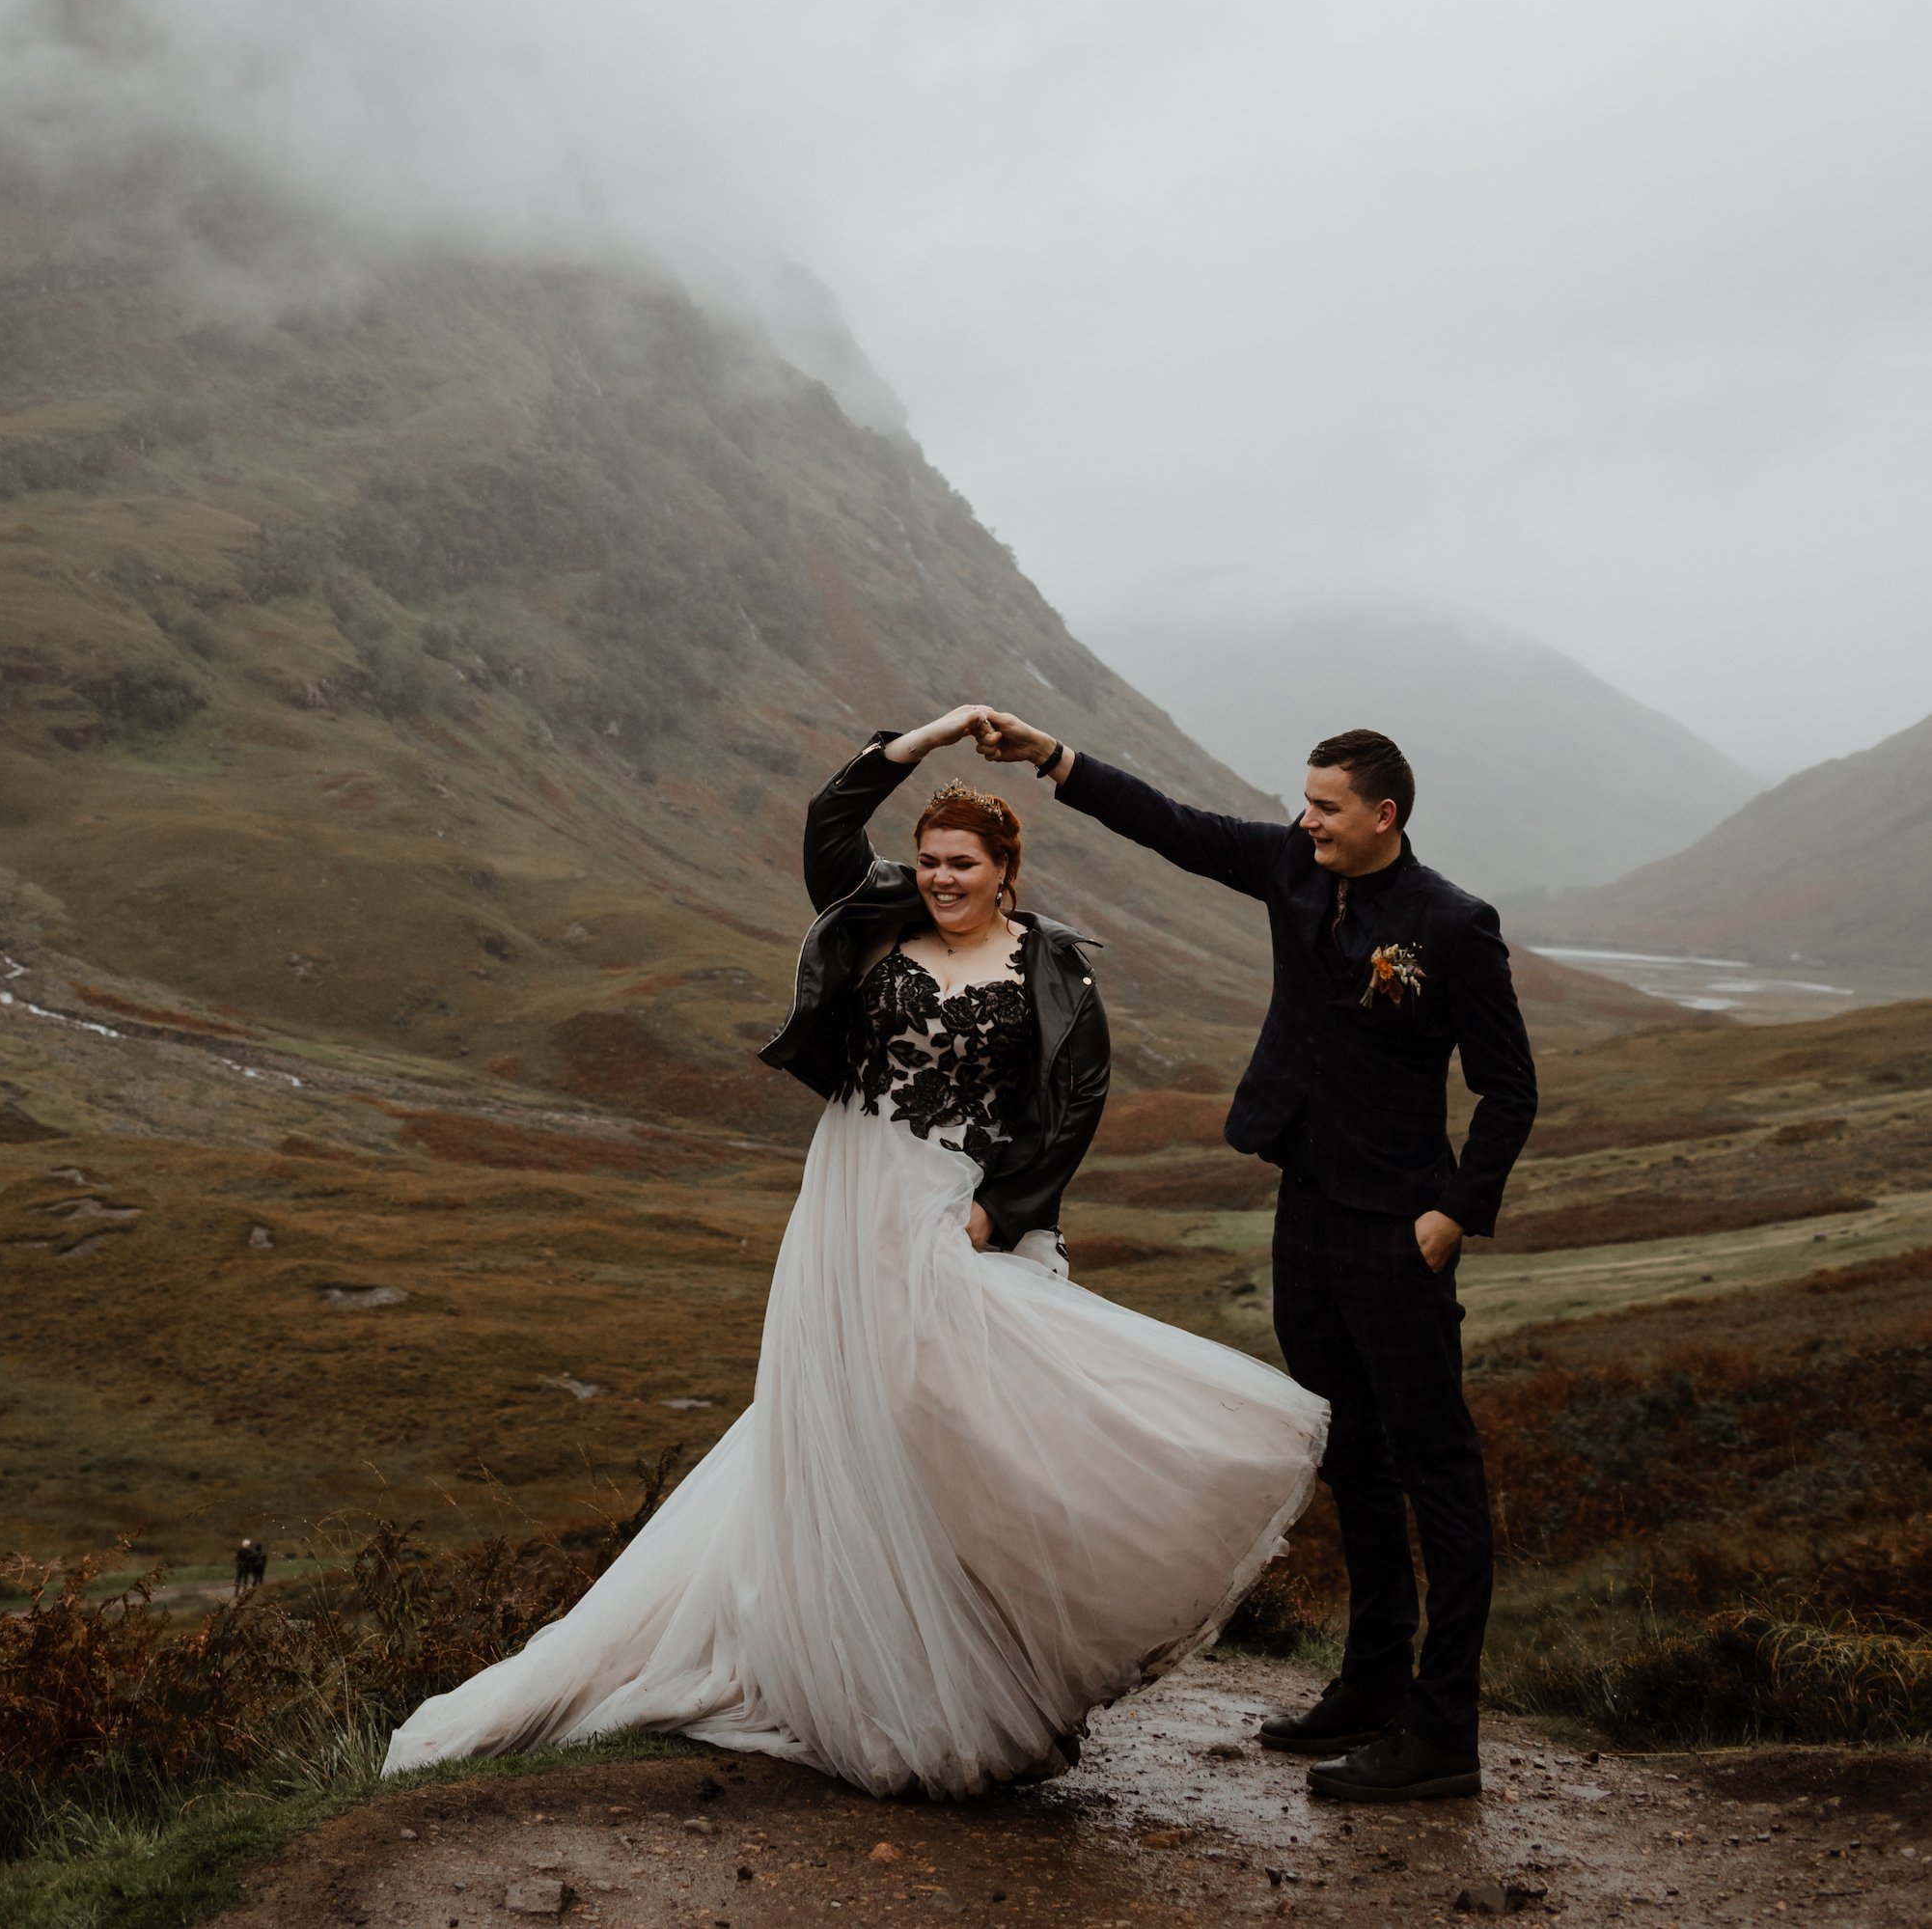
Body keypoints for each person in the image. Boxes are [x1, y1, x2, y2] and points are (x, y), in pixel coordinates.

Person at [382, 706, 1326, 1800]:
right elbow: (829, 827)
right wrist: (920, 739)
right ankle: (866, 1666)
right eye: (928, 862)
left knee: (951, 1419)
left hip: (955, 1207)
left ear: (1004, 869)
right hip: (848, 1196)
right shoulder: (877, 918)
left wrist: (998, 1209)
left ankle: (991, 1664)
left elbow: (1073, 1107)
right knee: (845, 1417)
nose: (940, 879)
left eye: (961, 864)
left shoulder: (1052, 971)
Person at [970, 710, 1536, 1805]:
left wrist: (1453, 1216)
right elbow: (1171, 826)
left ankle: (1443, 1733)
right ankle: (1371, 1684)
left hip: (1399, 1228)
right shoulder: (1289, 864)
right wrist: (1051, 759)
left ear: (1383, 815)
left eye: (1326, 806)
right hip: (1307, 1210)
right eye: (1303, 802)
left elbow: (1509, 1087)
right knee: (1349, 1456)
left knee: (1437, 1474)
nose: (1304, 819)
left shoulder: (1452, 925)